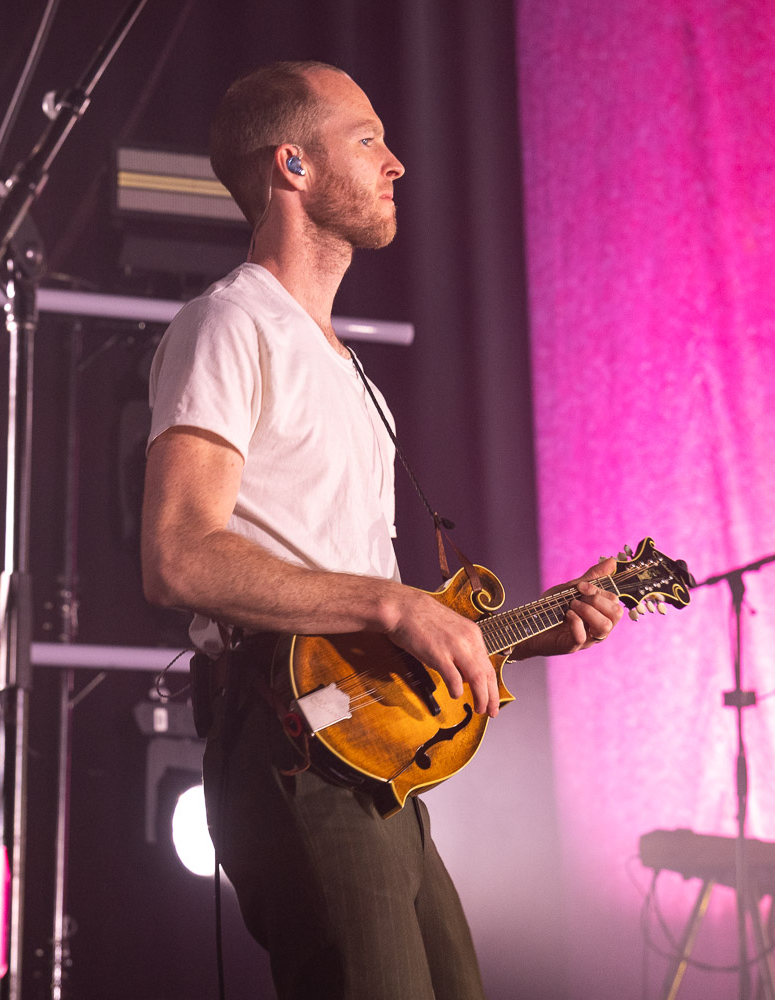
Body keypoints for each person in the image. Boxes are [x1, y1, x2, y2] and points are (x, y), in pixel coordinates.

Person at [139, 61, 624, 1000]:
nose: (397, 163)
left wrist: (517, 637)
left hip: (373, 765)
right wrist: (397, 605)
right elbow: (177, 554)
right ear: (293, 165)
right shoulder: (230, 326)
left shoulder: (356, 377)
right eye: (368, 140)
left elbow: (371, 629)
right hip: (292, 751)